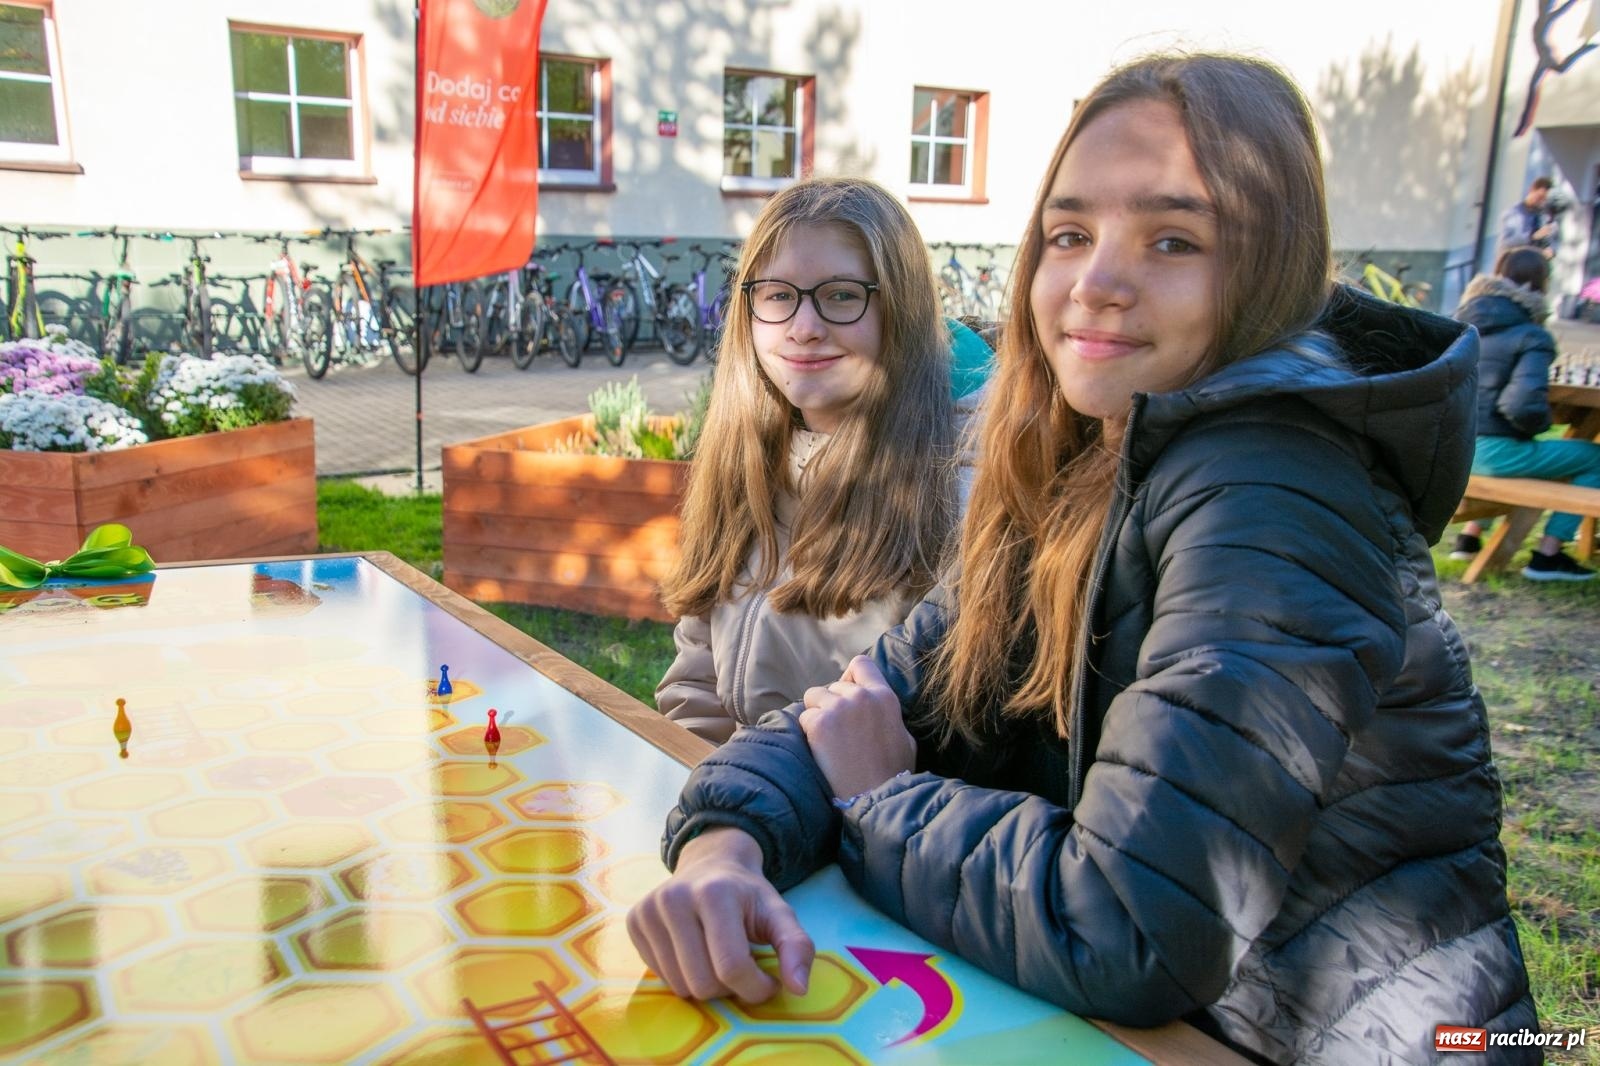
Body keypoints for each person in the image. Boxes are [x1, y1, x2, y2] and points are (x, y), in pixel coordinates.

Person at [626, 53, 1537, 1064]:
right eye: (1068, 234)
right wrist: (725, 847)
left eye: (1173, 239)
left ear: (1267, 266)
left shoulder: (1274, 495)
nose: (1095, 284)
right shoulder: (1082, 462)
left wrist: (878, 800)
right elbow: (866, 700)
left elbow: (1133, 926)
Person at [654, 177, 969, 744]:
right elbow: (695, 684)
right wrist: (698, 778)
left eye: (842, 295)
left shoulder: (953, 491)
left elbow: (926, 742)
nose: (803, 329)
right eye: (778, 295)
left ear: (901, 310)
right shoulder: (745, 460)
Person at [1451, 245, 1599, 580]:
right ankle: (1548, 554)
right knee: (1594, 458)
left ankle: (1469, 537)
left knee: (1521, 448)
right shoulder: (1532, 335)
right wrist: (1540, 424)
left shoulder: (1459, 325)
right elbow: (1521, 406)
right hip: (1492, 455)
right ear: (1540, 285)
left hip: (1452, 449)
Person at [1497, 176, 1558, 258]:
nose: (1541, 202)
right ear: (1531, 190)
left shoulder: (1543, 216)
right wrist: (1533, 236)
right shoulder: (1513, 212)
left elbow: (1552, 241)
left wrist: (1551, 250)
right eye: (1540, 197)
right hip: (1513, 261)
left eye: (1545, 200)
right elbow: (1508, 241)